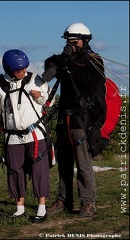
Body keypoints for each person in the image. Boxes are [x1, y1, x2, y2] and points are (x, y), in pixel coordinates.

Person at [42, 23, 107, 217]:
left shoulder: (95, 61)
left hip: (82, 118)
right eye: (68, 41)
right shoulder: (64, 59)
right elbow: (48, 67)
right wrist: (63, 58)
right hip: (65, 114)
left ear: (84, 40)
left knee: (82, 160)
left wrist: (69, 62)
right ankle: (64, 199)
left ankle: (88, 202)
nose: (72, 44)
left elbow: (87, 82)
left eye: (74, 41)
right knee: (64, 160)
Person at [0, 49, 55, 223]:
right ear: (9, 70)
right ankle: (19, 209)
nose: (23, 72)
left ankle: (41, 209)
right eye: (19, 70)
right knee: (15, 170)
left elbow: (50, 100)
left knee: (39, 170)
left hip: (36, 134)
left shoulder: (36, 81)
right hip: (13, 137)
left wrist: (40, 97)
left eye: (25, 68)